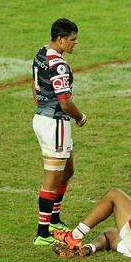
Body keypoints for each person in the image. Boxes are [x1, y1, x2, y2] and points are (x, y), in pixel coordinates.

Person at [31, 18, 87, 246]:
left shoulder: (41, 54)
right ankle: (43, 234)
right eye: (72, 40)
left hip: (45, 119)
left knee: (67, 171)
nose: (75, 44)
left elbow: (34, 85)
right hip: (55, 123)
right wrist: (80, 116)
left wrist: (42, 106)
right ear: (61, 39)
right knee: (51, 179)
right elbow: (65, 102)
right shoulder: (59, 65)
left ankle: (53, 220)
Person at [52, 188, 131, 262]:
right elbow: (108, 236)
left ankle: (74, 236)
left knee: (114, 195)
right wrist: (89, 247)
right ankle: (87, 247)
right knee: (109, 232)